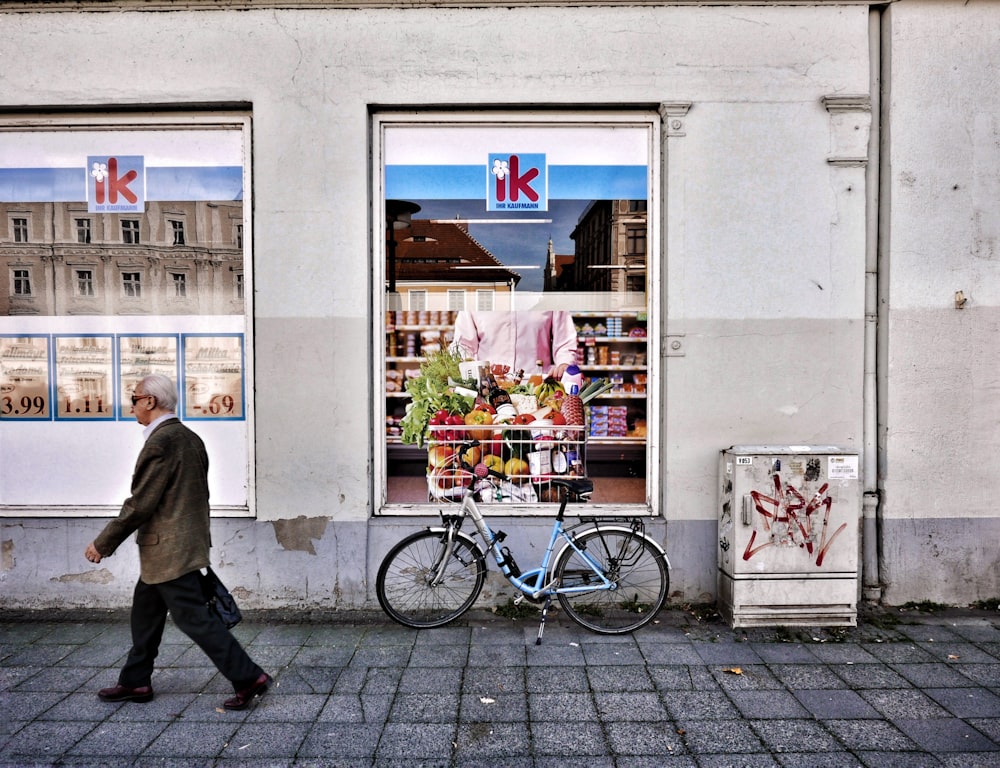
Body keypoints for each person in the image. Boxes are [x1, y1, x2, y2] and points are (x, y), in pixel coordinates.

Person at [84, 374, 270, 711]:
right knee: (146, 613)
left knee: (194, 619)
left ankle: (248, 677)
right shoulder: (189, 437)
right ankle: (135, 681)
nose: (132, 407)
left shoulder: (162, 442)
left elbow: (141, 503)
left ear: (150, 401)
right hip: (179, 545)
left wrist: (103, 542)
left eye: (134, 398)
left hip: (169, 549)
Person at [453, 310, 578, 380]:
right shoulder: (477, 296)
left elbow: (565, 342)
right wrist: (465, 372)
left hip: (535, 385)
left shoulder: (547, 294)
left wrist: (564, 364)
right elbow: (463, 345)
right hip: (489, 387)